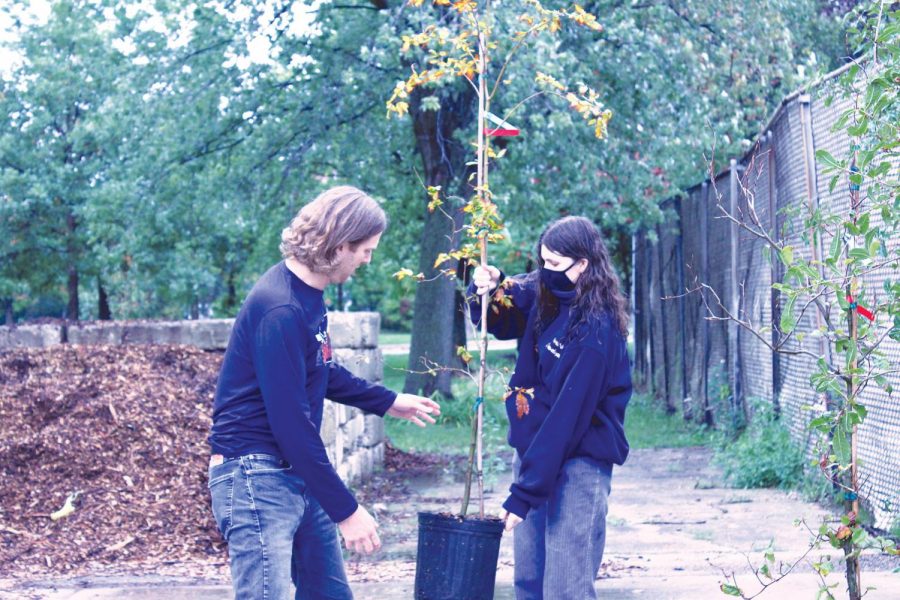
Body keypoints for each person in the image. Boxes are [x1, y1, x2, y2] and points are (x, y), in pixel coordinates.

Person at [208, 185, 440, 600]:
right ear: (340, 244)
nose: (368, 260)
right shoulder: (280, 309)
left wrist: (388, 401)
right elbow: (291, 425)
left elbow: (320, 371)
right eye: (366, 250)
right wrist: (346, 510)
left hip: (292, 468)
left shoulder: (306, 296)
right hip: (255, 476)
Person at [469, 216, 631, 600]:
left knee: (565, 587)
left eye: (556, 265)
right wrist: (490, 286)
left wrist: (524, 495)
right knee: (529, 581)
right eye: (542, 261)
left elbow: (566, 420)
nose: (545, 272)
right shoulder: (547, 292)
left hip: (579, 462)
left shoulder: (596, 333)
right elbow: (508, 307)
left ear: (583, 265)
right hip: (535, 454)